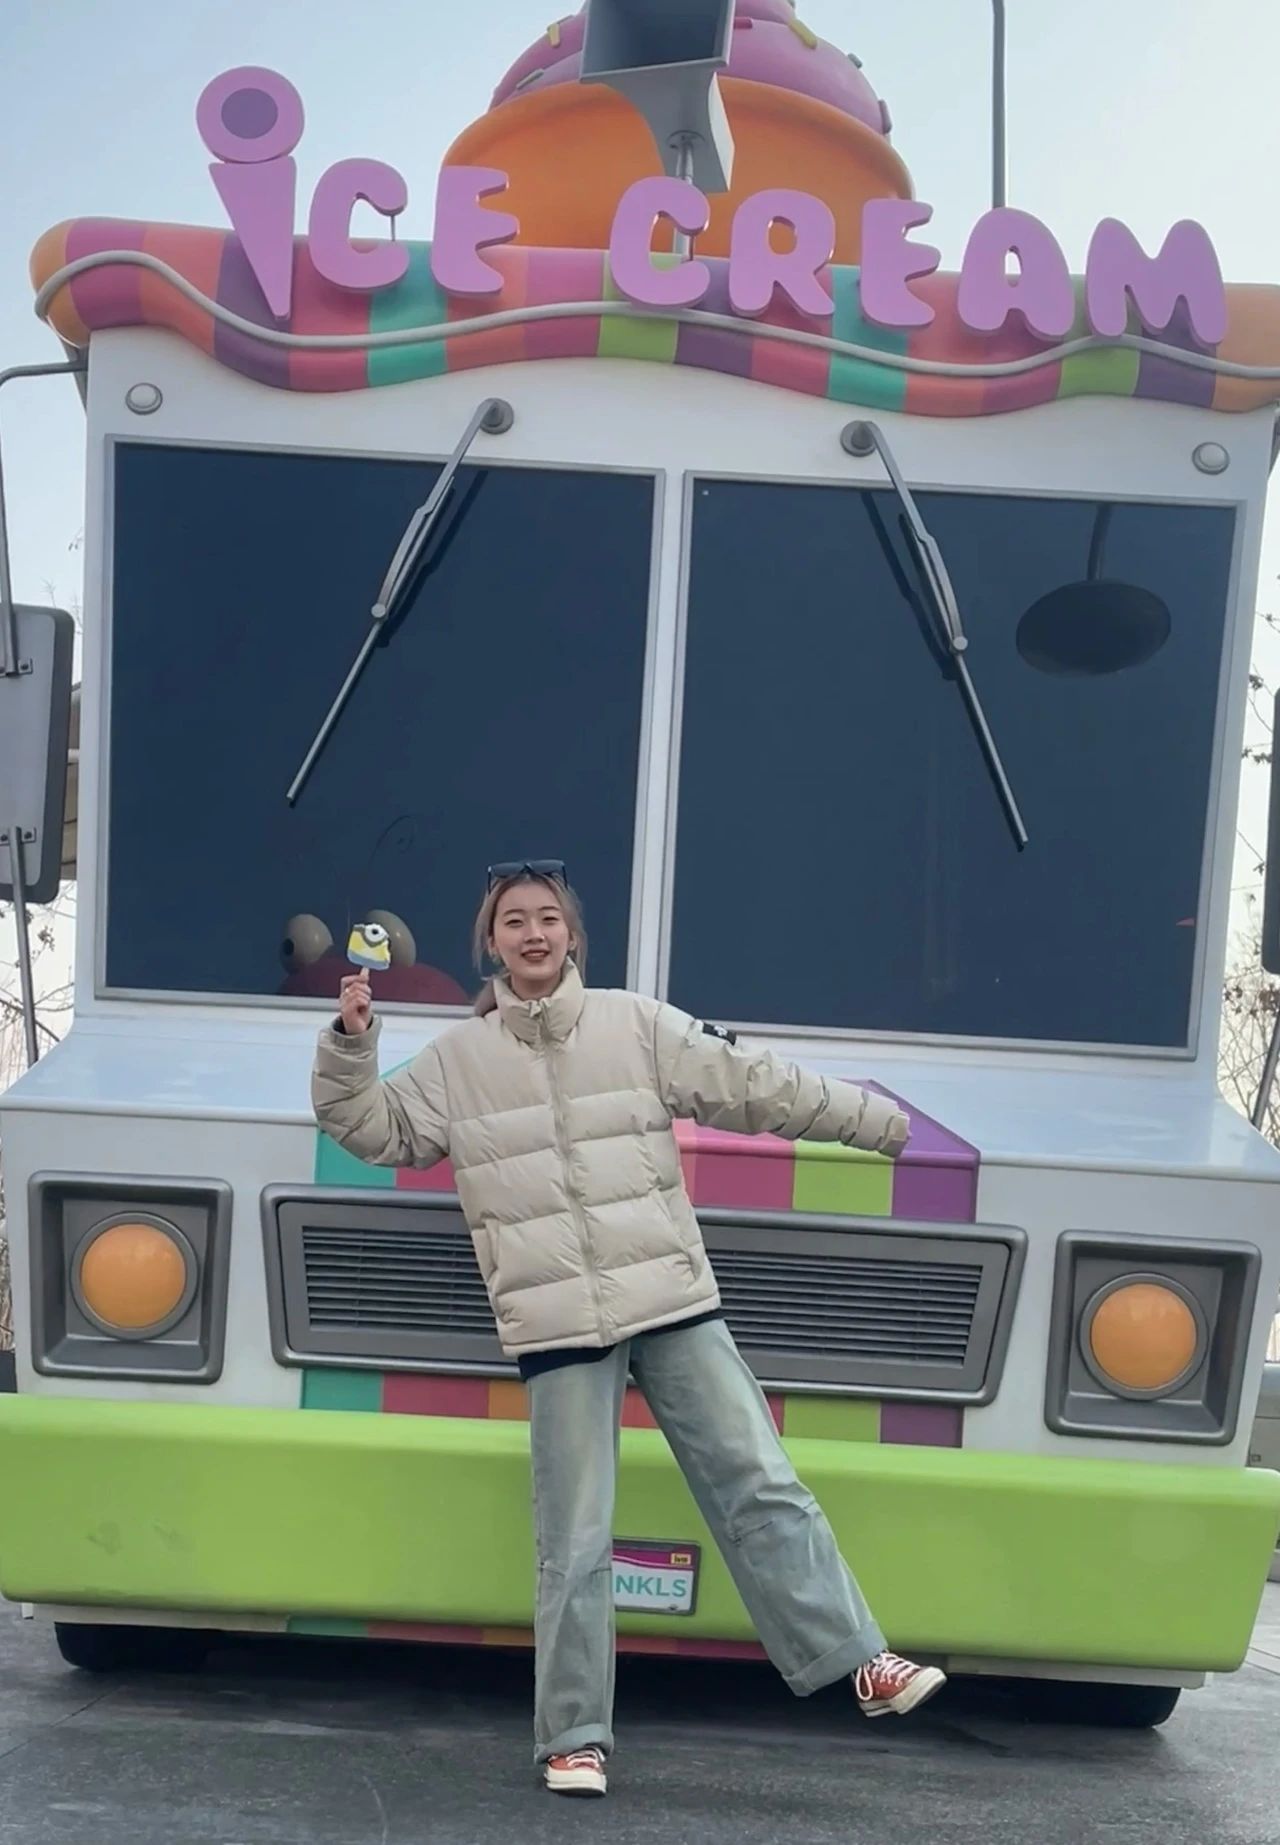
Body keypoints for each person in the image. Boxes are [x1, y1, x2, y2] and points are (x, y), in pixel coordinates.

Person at [312, 860, 946, 1799]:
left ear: (571, 935)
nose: (533, 933)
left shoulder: (635, 1024)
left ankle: (862, 1661)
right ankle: (573, 1738)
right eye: (514, 921)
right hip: (558, 1325)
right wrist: (352, 1041)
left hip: (672, 1302)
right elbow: (369, 1128)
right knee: (573, 1538)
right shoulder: (456, 1061)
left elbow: (756, 1085)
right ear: (492, 943)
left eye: (548, 918)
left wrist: (878, 1122)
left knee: (761, 1483)